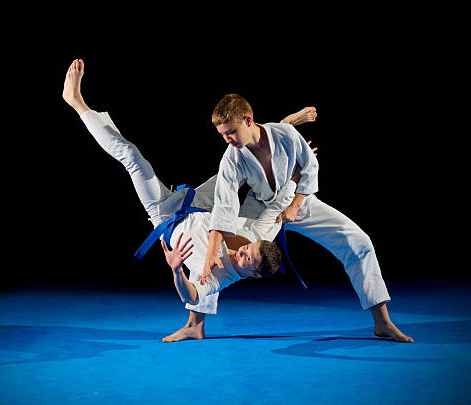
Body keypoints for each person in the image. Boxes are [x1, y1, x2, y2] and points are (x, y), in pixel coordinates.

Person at [62, 59, 310, 342]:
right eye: (248, 249)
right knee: (243, 163)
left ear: (252, 274)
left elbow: (192, 294)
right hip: (201, 205)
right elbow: (277, 205)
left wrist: (177, 268)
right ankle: (286, 125)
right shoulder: (260, 235)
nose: (241, 253)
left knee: (132, 158)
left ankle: (76, 102)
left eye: (246, 259)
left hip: (165, 216)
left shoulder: (220, 278)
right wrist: (297, 174)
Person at [202, 94, 413, 343]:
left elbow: (310, 167)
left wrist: (295, 204)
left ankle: (382, 322)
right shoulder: (232, 157)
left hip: (298, 201)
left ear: (248, 120)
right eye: (223, 135)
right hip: (259, 207)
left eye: (231, 132)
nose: (227, 139)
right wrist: (209, 256)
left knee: (359, 241)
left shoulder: (285, 135)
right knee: (224, 257)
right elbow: (225, 205)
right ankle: (196, 324)